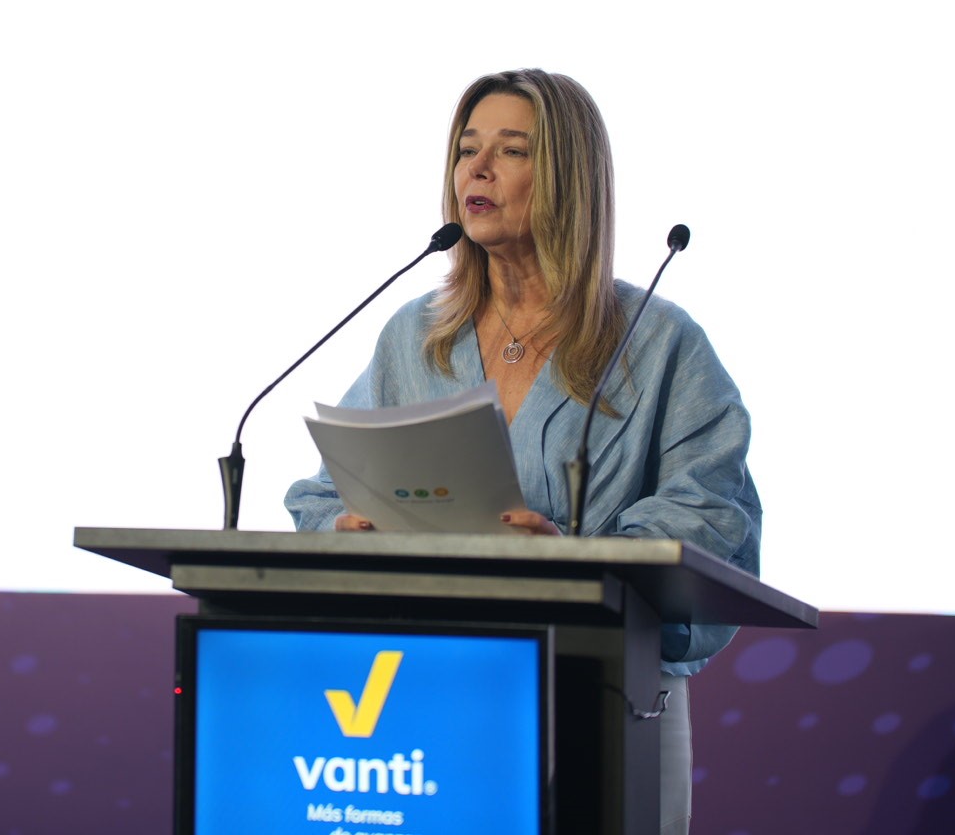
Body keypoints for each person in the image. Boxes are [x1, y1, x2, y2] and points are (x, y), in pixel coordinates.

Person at [284, 69, 762, 835]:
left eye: (510, 150)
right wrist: (348, 526)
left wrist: (572, 557)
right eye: (466, 149)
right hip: (431, 695)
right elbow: (319, 497)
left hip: (606, 697)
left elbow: (711, 520)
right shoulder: (417, 336)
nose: (476, 169)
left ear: (570, 179)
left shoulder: (659, 340)